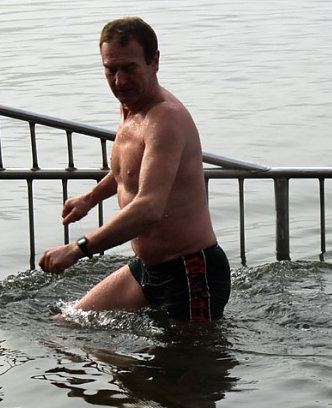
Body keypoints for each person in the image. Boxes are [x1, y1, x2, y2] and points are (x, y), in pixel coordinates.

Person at [38, 17, 230, 322]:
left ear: (154, 61)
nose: (119, 81)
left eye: (129, 68)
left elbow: (149, 208)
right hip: (147, 268)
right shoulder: (131, 107)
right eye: (110, 70)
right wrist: (90, 198)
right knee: (67, 325)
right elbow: (126, 171)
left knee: (193, 366)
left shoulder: (164, 120)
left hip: (190, 272)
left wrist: (78, 249)